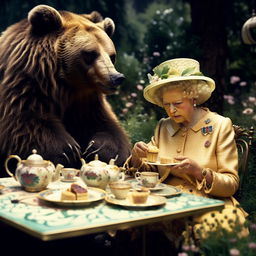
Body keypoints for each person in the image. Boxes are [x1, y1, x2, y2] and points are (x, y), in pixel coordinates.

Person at [125, 58, 248, 244]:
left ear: (193, 97)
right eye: (166, 105)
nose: (172, 111)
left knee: (218, 231)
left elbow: (231, 184)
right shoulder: (163, 126)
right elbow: (150, 170)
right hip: (164, 200)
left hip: (208, 203)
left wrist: (198, 172)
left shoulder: (220, 125)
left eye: (178, 103)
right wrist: (136, 157)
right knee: (128, 222)